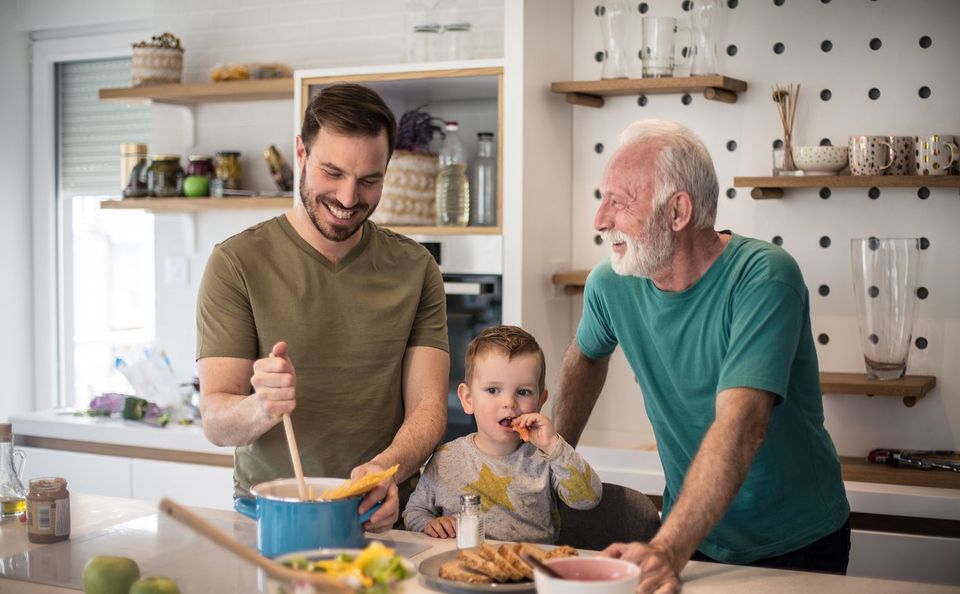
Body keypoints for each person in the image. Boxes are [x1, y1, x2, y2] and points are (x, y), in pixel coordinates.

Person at [554, 120, 850, 593]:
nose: (600, 219)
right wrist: (552, 465)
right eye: (601, 197)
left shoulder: (765, 279)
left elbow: (742, 427)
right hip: (692, 535)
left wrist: (667, 551)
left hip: (798, 539)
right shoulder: (611, 283)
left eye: (619, 202)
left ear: (677, 211)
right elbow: (586, 356)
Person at [196, 83, 450, 532]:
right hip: (270, 514)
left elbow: (428, 409)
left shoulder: (416, 268)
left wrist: (387, 470)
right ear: (301, 152)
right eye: (332, 172)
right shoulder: (237, 263)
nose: (349, 199)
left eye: (370, 180)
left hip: (379, 514)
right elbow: (216, 422)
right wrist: (261, 407)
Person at [403, 325, 602, 543]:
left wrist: (553, 445)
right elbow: (413, 513)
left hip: (529, 570)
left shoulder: (546, 459)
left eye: (523, 392)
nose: (509, 403)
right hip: (462, 569)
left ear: (540, 400)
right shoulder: (445, 460)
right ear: (468, 399)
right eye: (492, 390)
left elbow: (588, 498)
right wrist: (430, 525)